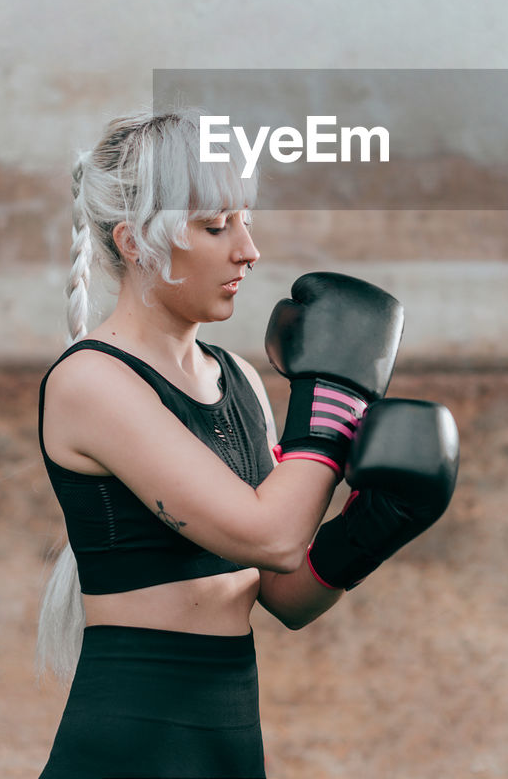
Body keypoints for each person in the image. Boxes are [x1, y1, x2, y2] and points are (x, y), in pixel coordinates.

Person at [35, 109, 457, 779]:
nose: (248, 250)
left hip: (228, 739)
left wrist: (372, 529)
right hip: (131, 743)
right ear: (136, 242)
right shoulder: (91, 382)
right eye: (214, 226)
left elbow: (284, 591)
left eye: (245, 218)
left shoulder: (236, 380)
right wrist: (333, 401)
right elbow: (272, 536)